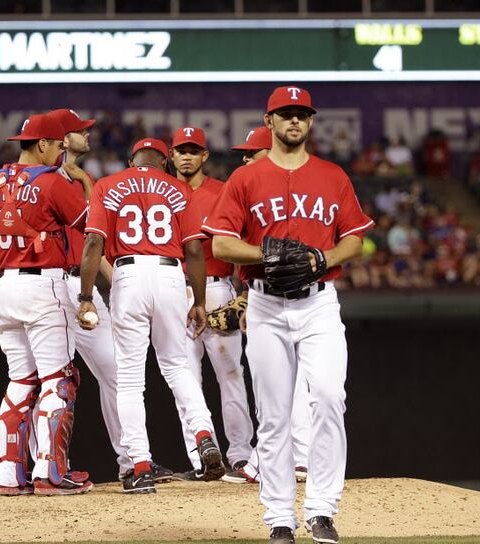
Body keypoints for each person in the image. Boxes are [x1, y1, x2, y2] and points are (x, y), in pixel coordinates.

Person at [203, 86, 374, 544]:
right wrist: (266, 252)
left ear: (311, 122)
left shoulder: (332, 175)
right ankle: (279, 517)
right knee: (274, 416)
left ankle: (321, 511)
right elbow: (220, 244)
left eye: (301, 114)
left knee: (328, 398)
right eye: (285, 114)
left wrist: (322, 259)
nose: (294, 121)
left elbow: (355, 238)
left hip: (319, 302)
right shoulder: (246, 180)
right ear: (270, 120)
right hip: (265, 304)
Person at [77, 137, 226, 494]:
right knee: (177, 365)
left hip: (128, 275)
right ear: (164, 161)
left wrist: (85, 297)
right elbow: (193, 248)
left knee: (129, 377)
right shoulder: (177, 187)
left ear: (132, 160)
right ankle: (204, 434)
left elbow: (94, 243)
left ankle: (140, 466)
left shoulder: (108, 185)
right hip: (170, 274)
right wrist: (200, 301)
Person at [0, 113, 93, 496]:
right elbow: (90, 225)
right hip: (43, 285)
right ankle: (49, 472)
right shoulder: (52, 182)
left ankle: (7, 473)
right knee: (59, 379)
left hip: (6, 290)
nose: (61, 150)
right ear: (43, 145)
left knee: (21, 379)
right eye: (58, 144)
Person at [46, 108, 173, 484]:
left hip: (79, 284)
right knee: (48, 378)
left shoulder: (84, 181)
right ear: (62, 140)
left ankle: (132, 461)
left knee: (117, 371)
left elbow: (93, 244)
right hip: (51, 285)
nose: (88, 136)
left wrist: (116, 283)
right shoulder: (45, 180)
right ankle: (42, 468)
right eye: (80, 132)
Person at [224, 126, 312, 486]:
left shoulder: (282, 193)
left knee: (288, 383)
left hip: (296, 295)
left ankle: (272, 461)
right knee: (293, 381)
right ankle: (295, 459)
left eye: (251, 152)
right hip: (275, 293)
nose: (245, 159)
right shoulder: (255, 192)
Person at [167, 126, 254, 481]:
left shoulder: (223, 191)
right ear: (171, 155)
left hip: (218, 290)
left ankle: (241, 456)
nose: (186, 156)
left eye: (193, 150)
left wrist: (245, 291)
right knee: (184, 378)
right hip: (173, 290)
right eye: (180, 150)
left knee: (231, 374)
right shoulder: (160, 193)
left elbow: (243, 238)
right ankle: (203, 459)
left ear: (205, 155)